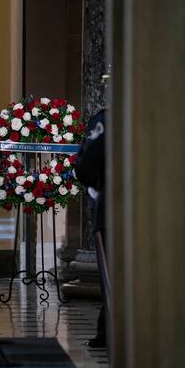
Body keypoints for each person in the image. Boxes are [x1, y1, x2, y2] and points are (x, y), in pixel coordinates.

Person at [74, 108, 107, 349]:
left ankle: (108, 335)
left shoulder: (106, 119)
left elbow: (85, 168)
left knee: (111, 280)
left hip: (113, 209)